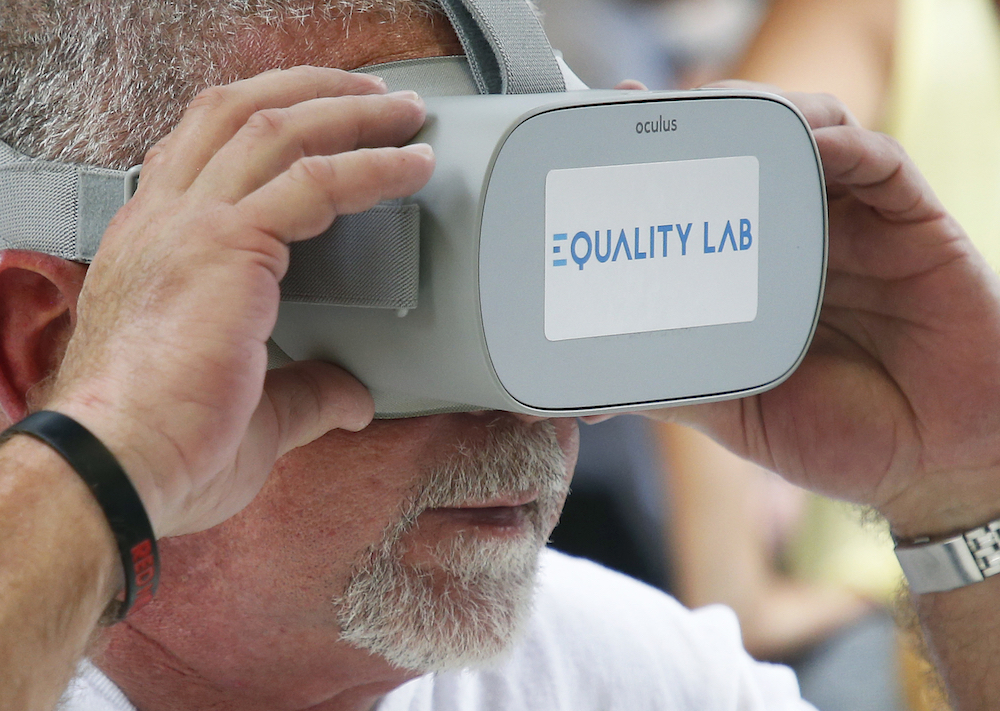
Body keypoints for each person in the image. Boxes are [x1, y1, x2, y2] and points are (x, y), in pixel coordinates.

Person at [2, 2, 999, 711]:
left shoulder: (625, 677)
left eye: (542, 264)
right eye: (424, 277)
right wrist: (105, 461)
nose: (531, 403)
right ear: (44, 343)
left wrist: (964, 489)